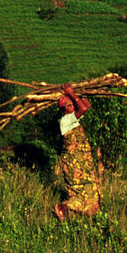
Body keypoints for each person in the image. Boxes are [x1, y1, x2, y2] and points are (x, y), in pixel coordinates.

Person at [53, 84, 101, 220]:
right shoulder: (66, 120)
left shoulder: (73, 118)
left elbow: (87, 105)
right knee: (81, 189)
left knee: (91, 188)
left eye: (72, 104)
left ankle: (75, 213)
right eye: (68, 105)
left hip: (82, 162)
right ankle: (63, 208)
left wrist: (78, 93)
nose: (72, 106)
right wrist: (71, 93)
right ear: (63, 110)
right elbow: (84, 108)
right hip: (74, 163)